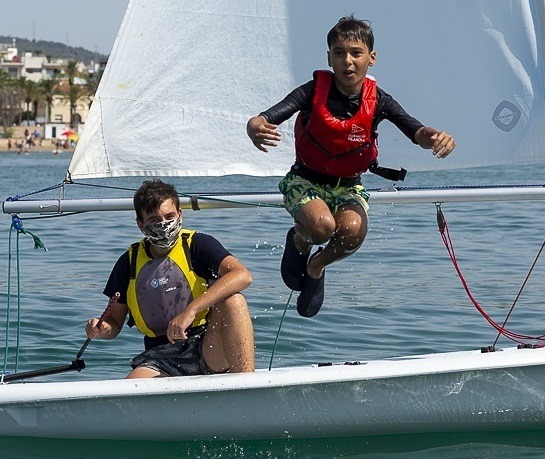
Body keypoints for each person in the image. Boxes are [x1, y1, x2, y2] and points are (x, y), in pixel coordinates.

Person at [246, 15, 456, 318]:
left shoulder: (380, 101)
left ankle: (317, 266)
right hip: (304, 181)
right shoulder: (310, 92)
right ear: (329, 57)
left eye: (356, 53)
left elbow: (417, 132)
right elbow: (264, 118)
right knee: (321, 228)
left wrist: (435, 136)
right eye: (339, 53)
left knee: (352, 232)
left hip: (348, 186)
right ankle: (300, 238)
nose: (348, 61)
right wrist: (255, 127)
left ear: (371, 58)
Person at [85, 179, 256, 378]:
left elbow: (243, 275)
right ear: (141, 225)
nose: (164, 224)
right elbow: (114, 322)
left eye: (169, 216)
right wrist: (103, 329)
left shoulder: (199, 245)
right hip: (160, 357)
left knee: (234, 300)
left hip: (208, 347)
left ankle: (246, 384)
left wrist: (191, 310)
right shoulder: (127, 263)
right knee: (130, 389)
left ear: (180, 214)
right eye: (155, 220)